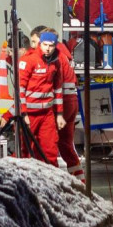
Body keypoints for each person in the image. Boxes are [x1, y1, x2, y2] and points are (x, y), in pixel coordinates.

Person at [32, 26, 85, 182]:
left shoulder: (54, 57)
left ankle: (51, 182)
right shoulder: (64, 54)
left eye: (36, 42)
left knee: (47, 145)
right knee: (66, 145)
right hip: (71, 101)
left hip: (60, 103)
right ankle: (80, 182)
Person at [18, 30, 66, 165]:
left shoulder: (56, 62)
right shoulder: (29, 60)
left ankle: (52, 182)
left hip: (47, 114)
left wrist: (60, 114)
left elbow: (57, 89)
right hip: (30, 114)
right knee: (26, 151)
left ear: (55, 45)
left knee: (50, 150)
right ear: (40, 44)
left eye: (51, 45)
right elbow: (20, 89)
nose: (48, 48)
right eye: (45, 45)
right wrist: (24, 113)